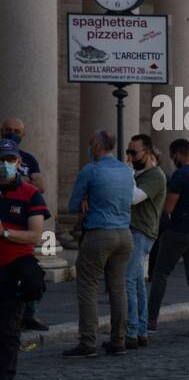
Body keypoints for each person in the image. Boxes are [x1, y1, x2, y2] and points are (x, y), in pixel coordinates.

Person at [66, 130, 134, 357]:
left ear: (96, 146)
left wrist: (86, 200)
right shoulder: (126, 170)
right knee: (117, 287)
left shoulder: (91, 170)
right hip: (124, 234)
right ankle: (119, 340)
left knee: (88, 286)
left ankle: (88, 341)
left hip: (99, 233)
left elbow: (73, 205)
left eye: (89, 144)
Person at [147, 138, 189, 340]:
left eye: (172, 156)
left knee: (160, 274)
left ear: (178, 154)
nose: (172, 160)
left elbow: (169, 208)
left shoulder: (180, 176)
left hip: (180, 231)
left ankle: (150, 321)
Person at [0, 138, 48, 380]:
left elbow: (35, 235)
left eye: (9, 160)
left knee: (8, 327)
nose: (5, 165)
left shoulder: (30, 194)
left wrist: (5, 233)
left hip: (13, 265)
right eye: (1, 160)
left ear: (18, 163)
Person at [2, 118, 48, 331]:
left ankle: (30, 315)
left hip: (17, 249)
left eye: (17, 131)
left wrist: (19, 180)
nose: (12, 133)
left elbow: (40, 185)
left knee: (30, 276)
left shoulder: (29, 158)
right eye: (8, 130)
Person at [125, 134, 166, 349]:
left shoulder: (155, 175)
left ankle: (131, 332)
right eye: (128, 152)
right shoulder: (141, 174)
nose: (130, 157)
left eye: (134, 152)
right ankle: (141, 331)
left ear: (147, 152)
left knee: (128, 281)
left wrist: (128, 173)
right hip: (136, 231)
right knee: (138, 283)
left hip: (142, 232)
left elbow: (133, 198)